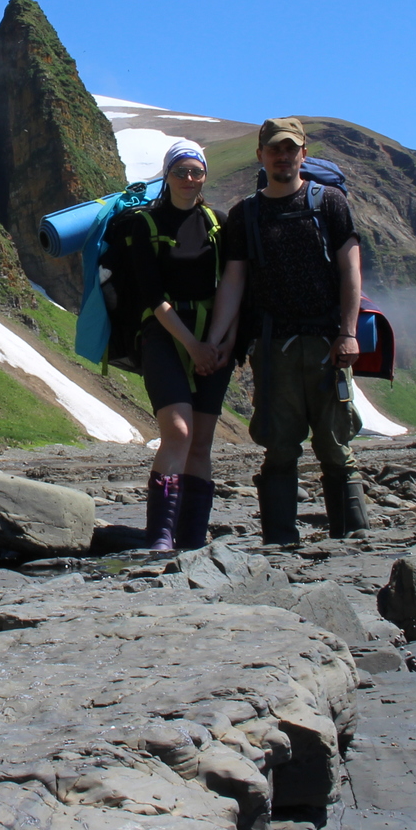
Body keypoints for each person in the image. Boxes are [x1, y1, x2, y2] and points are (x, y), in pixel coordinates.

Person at [205, 117, 370, 543]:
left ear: (303, 153)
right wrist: (217, 339)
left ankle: (354, 541)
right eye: (275, 149)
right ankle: (280, 544)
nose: (283, 156)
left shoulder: (330, 203)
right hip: (272, 349)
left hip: (327, 344)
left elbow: (351, 269)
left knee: (336, 446)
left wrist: (348, 333)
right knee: (278, 447)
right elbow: (234, 281)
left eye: (290, 149)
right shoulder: (245, 214)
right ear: (261, 155)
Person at [100, 139, 235, 551]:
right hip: (162, 333)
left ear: (204, 176)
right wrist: (193, 345)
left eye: (196, 172)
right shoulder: (145, 224)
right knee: (177, 431)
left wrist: (217, 343)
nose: (189, 180)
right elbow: (153, 296)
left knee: (201, 442)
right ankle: (160, 535)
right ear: (167, 175)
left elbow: (232, 282)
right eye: (181, 172)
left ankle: (191, 540)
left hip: (212, 338)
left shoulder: (217, 223)